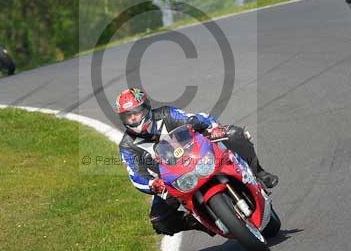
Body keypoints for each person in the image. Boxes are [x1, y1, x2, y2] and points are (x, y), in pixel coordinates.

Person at [115, 88, 278, 236]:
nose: (133, 118)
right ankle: (202, 223)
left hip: (200, 158)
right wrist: (152, 184)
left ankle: (259, 173)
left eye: (135, 112)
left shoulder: (166, 114)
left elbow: (196, 118)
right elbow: (135, 175)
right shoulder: (127, 146)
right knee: (159, 220)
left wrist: (213, 128)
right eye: (127, 115)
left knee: (235, 134)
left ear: (146, 108)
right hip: (173, 182)